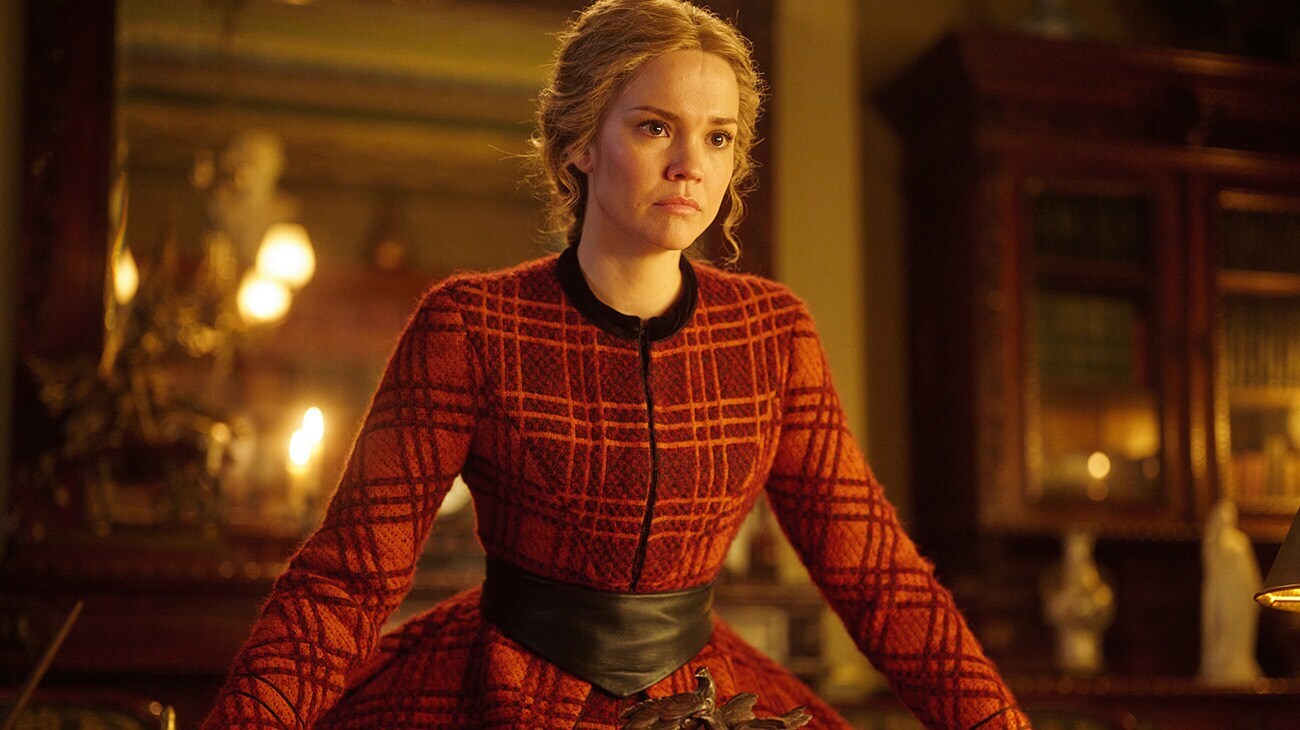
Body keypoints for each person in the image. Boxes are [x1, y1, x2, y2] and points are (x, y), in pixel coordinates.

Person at [202, 1, 1029, 727]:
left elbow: (879, 577)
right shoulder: (470, 324)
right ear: (579, 143)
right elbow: (347, 578)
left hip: (702, 700)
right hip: (499, 689)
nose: (690, 164)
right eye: (654, 127)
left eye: (717, 137)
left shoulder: (774, 336)